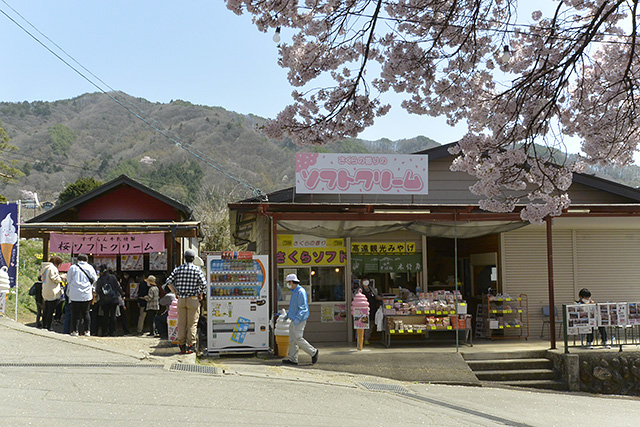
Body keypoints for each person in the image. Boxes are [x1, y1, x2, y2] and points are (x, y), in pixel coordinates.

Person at [164, 249, 206, 354]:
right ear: (194, 259)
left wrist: (175, 292)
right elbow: (204, 285)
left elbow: (168, 281)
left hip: (181, 299)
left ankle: (182, 345)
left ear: (184, 258)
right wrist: (200, 293)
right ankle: (191, 345)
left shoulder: (178, 269)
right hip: (193, 299)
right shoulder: (197, 270)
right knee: (192, 324)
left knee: (182, 323)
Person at [282, 273, 318, 366]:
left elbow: (303, 308)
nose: (287, 284)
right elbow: (294, 308)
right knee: (292, 340)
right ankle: (293, 359)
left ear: (291, 282)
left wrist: (297, 319)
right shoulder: (295, 291)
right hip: (294, 319)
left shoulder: (300, 292)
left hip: (299, 320)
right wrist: (287, 315)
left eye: (288, 282)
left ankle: (313, 352)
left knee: (298, 338)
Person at [66, 254, 98, 337]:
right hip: (86, 294)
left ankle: (74, 331)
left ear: (78, 260)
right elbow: (95, 279)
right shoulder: (90, 267)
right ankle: (87, 330)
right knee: (86, 313)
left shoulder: (73, 267)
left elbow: (68, 279)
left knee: (75, 314)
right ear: (86, 260)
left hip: (74, 294)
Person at [96, 265, 123, 336]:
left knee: (105, 316)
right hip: (113, 299)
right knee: (113, 315)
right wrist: (121, 294)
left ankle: (104, 332)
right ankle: (113, 332)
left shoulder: (100, 279)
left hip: (104, 300)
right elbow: (118, 287)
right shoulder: (113, 277)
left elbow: (97, 290)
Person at [40, 256, 65, 331]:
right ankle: (48, 326)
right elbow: (55, 279)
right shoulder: (52, 268)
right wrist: (61, 277)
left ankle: (44, 325)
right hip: (52, 291)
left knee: (46, 309)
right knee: (50, 311)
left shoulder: (45, 268)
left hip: (45, 290)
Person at [358, 278, 381, 345]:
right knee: (362, 324)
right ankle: (360, 339)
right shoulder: (360, 290)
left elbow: (376, 297)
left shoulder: (371, 289)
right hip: (363, 310)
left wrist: (383, 299)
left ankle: (366, 339)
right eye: (364, 280)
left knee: (371, 324)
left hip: (372, 308)